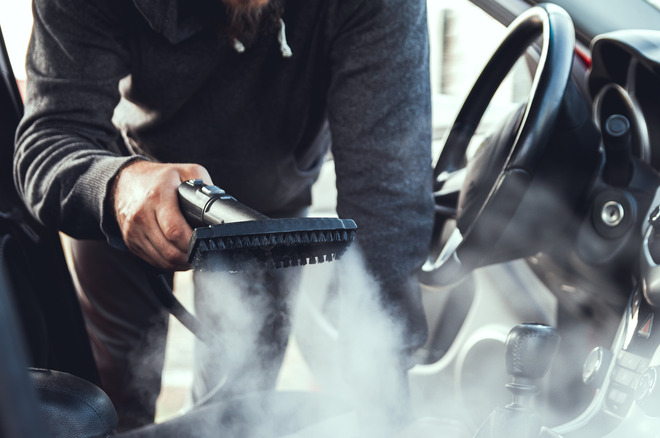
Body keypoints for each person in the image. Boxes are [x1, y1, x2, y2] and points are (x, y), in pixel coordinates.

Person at [14, 0, 434, 431]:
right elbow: (50, 139)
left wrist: (382, 392)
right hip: (126, 196)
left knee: (242, 412)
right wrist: (117, 188)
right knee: (109, 406)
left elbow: (387, 192)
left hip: (269, 222)